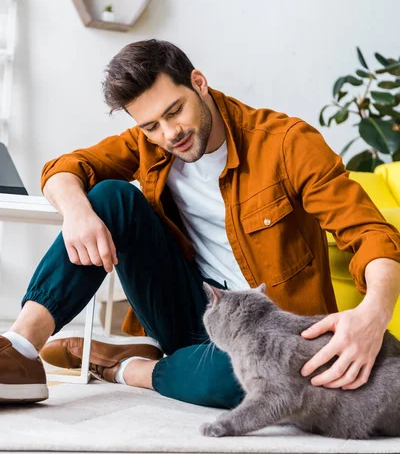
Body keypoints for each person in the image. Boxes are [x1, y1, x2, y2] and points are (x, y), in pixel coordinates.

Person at [1, 39, 400, 407]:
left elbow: (371, 234)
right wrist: (76, 212)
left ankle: (128, 368)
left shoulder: (286, 143)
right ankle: (19, 349)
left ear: (199, 82)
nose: (169, 134)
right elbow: (64, 169)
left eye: (175, 111)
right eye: (150, 125)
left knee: (255, 381)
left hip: (274, 339)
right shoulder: (149, 142)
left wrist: (372, 317)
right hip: (193, 312)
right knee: (109, 197)